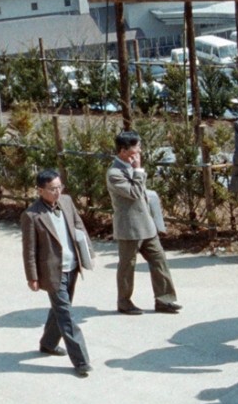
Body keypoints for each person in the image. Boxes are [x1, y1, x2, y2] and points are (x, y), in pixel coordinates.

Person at [21, 168, 96, 377]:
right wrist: (32, 277)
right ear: (40, 190)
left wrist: (88, 251)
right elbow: (29, 250)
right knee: (66, 315)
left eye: (59, 187)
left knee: (60, 310)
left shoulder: (67, 202)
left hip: (72, 266)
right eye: (53, 189)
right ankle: (81, 360)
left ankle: (48, 343)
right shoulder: (31, 215)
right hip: (52, 272)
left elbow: (78, 226)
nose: (57, 192)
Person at [105, 130, 181, 315]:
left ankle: (164, 299)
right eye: (136, 147)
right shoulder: (114, 173)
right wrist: (139, 170)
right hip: (129, 227)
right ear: (123, 150)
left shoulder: (131, 166)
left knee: (159, 260)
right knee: (127, 266)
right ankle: (124, 301)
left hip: (146, 225)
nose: (139, 150)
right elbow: (134, 193)